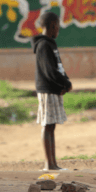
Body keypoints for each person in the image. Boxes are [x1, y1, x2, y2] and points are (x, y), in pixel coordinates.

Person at [31, 12, 72, 171]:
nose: (58, 29)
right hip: (48, 90)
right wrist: (64, 84)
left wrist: (65, 83)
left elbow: (58, 67)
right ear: (53, 25)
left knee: (51, 125)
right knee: (47, 124)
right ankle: (48, 164)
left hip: (54, 89)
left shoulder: (50, 44)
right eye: (58, 25)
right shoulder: (43, 46)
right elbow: (50, 71)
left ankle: (53, 163)